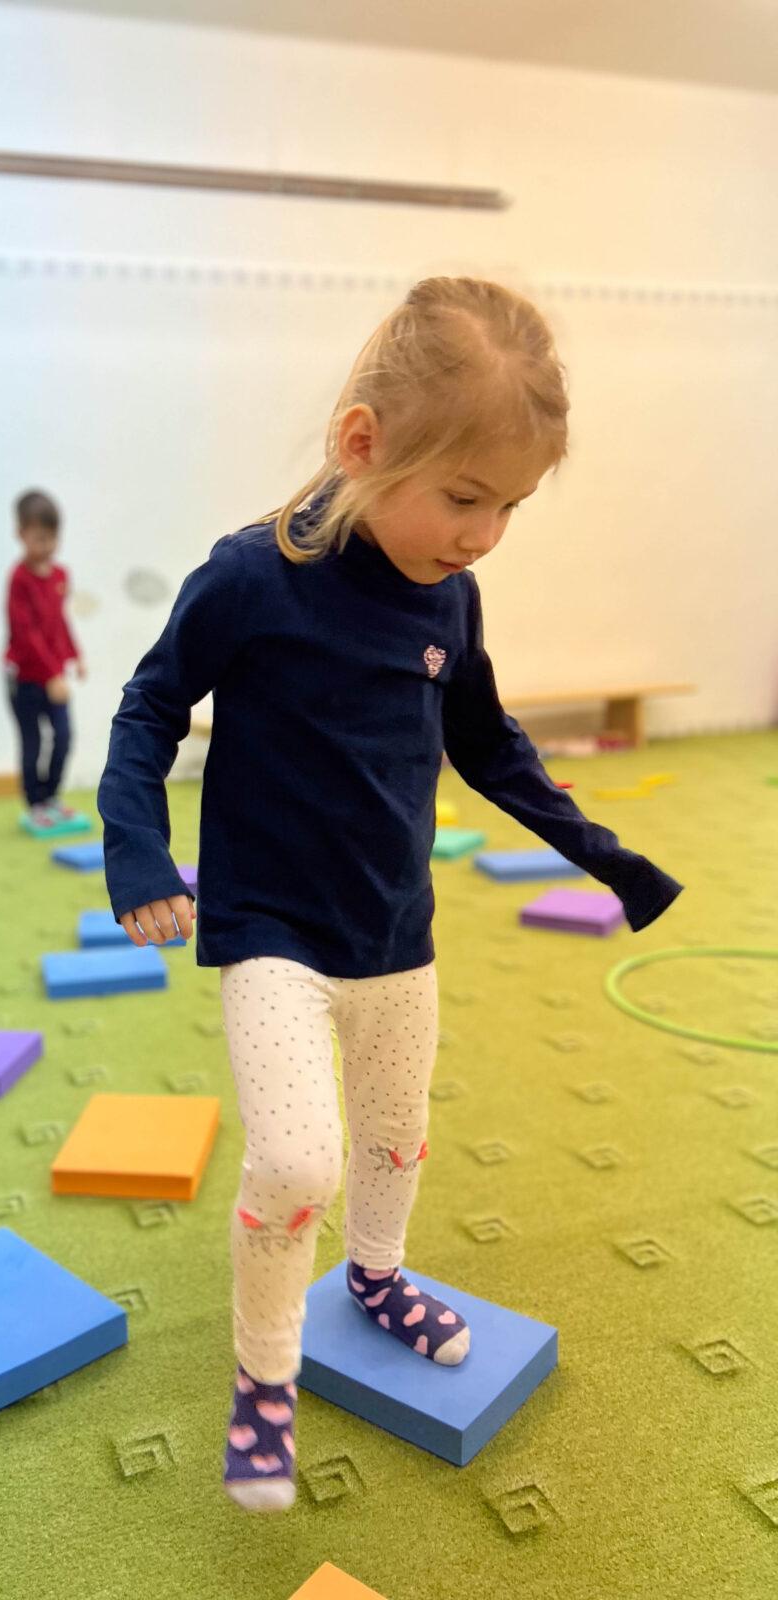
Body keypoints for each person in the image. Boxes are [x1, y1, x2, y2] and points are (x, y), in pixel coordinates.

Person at [95, 277, 683, 1513]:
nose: (486, 533)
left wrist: (606, 853)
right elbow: (150, 708)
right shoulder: (253, 576)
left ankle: (375, 1275)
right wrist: (140, 854)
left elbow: (488, 742)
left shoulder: (449, 594)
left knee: (395, 1134)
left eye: (512, 506)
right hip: (272, 931)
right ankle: (264, 1379)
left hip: (395, 934)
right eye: (465, 497)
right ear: (363, 443)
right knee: (297, 1157)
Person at [3, 489, 86, 829]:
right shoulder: (19, 579)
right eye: (39, 538)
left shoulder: (60, 576)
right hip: (24, 676)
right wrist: (52, 674)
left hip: (54, 677)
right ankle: (35, 802)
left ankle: (51, 796)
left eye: (53, 538)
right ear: (21, 534)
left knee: (64, 735)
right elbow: (27, 634)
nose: (47, 546)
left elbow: (58, 622)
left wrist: (75, 656)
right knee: (32, 740)